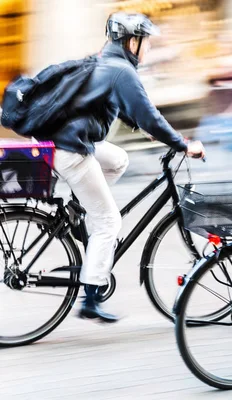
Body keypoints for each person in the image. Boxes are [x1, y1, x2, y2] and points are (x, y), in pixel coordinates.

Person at [46, 13, 206, 323]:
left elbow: (111, 103)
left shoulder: (103, 60)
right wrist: (183, 145)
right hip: (74, 150)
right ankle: (90, 299)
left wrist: (140, 126)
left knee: (119, 159)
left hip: (70, 142)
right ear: (132, 42)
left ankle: (83, 213)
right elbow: (150, 115)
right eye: (146, 42)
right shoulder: (122, 71)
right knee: (109, 222)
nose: (148, 49)